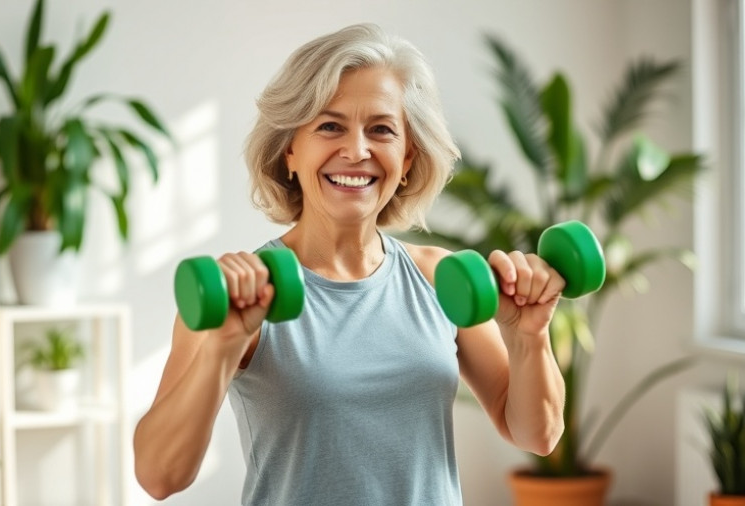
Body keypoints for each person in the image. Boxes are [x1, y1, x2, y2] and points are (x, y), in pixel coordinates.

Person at [134, 23, 565, 505]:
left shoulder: (437, 278)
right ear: (290, 151)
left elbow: (537, 435)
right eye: (329, 126)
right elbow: (158, 477)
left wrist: (529, 337)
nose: (357, 151)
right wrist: (222, 346)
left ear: (407, 158)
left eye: (381, 129)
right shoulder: (242, 296)